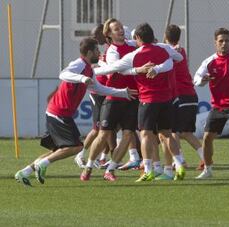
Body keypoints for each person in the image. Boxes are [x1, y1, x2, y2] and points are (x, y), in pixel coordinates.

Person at [14, 37, 137, 186]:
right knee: (77, 147)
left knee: (60, 150)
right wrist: (81, 78)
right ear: (89, 52)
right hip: (58, 113)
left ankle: (24, 172)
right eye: (97, 50)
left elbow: (98, 88)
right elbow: (63, 74)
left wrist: (122, 92)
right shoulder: (79, 64)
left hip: (60, 113)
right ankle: (42, 164)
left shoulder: (89, 70)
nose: (99, 53)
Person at [92, 22, 186, 182]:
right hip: (166, 98)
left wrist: (93, 70)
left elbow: (112, 69)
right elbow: (178, 58)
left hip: (147, 100)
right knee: (167, 134)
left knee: (145, 134)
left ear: (138, 38)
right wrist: (160, 66)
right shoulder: (164, 48)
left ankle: (148, 169)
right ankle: (179, 164)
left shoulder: (134, 55)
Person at [80, 18, 140, 182]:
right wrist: (138, 69)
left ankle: (111, 169)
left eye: (120, 27)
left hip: (132, 97)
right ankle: (89, 166)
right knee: (103, 134)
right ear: (109, 34)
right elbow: (119, 68)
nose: (120, 30)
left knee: (128, 134)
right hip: (115, 97)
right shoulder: (112, 51)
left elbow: (148, 48)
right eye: (116, 29)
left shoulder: (134, 45)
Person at [194, 27, 229, 179]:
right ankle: (208, 169)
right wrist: (202, 80)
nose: (224, 44)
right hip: (218, 106)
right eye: (221, 41)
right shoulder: (209, 61)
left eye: (227, 41)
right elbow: (196, 78)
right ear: (215, 43)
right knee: (207, 138)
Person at [155, 24, 205, 180]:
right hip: (190, 95)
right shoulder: (179, 50)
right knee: (184, 132)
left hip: (181, 96)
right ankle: (204, 158)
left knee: (173, 132)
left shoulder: (171, 51)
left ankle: (177, 164)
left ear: (165, 36)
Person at [74, 24, 110, 169]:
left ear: (103, 34)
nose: (94, 39)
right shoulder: (98, 53)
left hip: (107, 91)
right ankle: (81, 154)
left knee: (110, 128)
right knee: (98, 128)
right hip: (97, 93)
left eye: (96, 36)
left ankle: (102, 157)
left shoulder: (109, 48)